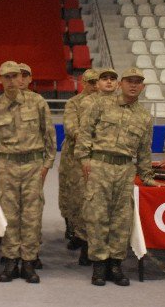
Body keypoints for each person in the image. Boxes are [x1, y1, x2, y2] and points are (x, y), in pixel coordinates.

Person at [74, 67, 163, 287]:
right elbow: (85, 131)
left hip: (125, 170)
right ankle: (99, 264)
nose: (133, 85)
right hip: (100, 166)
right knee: (97, 215)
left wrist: (146, 175)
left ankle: (116, 263)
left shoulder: (144, 116)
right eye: (129, 81)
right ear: (121, 84)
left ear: (142, 87)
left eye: (138, 82)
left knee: (121, 219)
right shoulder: (101, 103)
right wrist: (85, 159)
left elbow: (144, 150)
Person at [0, 61, 56, 284]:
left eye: (16, 76)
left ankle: (29, 262)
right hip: (8, 166)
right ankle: (11, 260)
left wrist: (47, 164)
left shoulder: (37, 102)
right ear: (0, 80)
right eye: (7, 77)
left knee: (32, 215)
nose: (13, 80)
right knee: (9, 214)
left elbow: (49, 135)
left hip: (33, 166)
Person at [73, 67, 118, 265]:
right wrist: (86, 158)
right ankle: (86, 245)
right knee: (89, 204)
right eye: (103, 79)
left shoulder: (121, 104)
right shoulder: (87, 103)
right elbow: (82, 133)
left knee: (112, 210)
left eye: (112, 79)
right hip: (92, 161)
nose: (108, 82)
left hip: (113, 164)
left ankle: (110, 252)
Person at [60, 69, 98, 256]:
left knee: (93, 197)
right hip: (74, 157)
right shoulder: (74, 103)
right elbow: (71, 127)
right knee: (75, 195)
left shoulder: (107, 103)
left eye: (97, 82)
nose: (94, 86)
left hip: (97, 156)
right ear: (84, 83)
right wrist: (91, 139)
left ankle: (89, 235)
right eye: (91, 82)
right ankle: (75, 230)